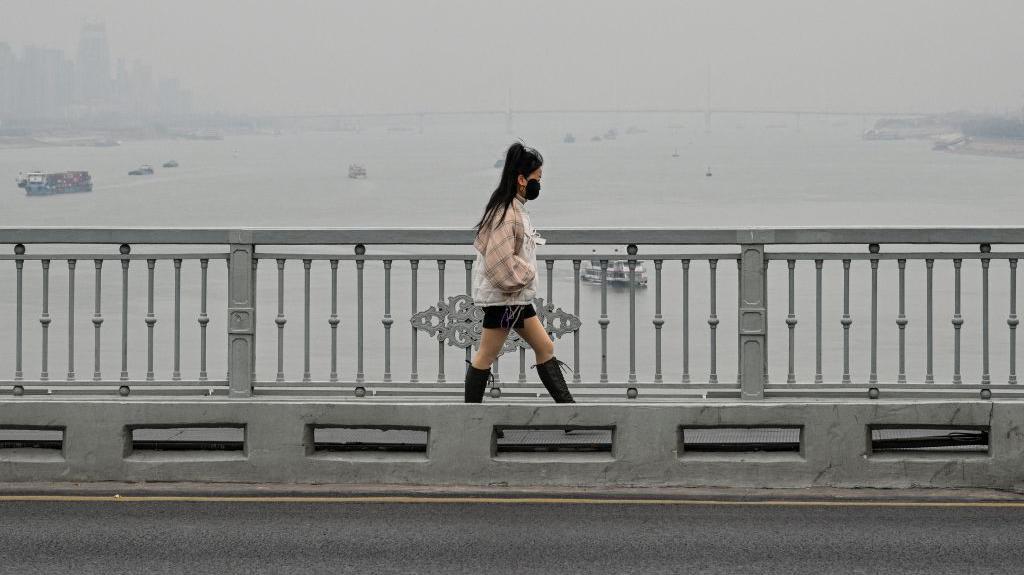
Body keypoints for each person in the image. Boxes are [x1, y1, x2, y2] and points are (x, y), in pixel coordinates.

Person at [465, 142, 574, 403]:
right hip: (505, 300)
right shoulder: (507, 213)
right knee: (485, 355)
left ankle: (570, 413)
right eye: (537, 179)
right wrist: (528, 274)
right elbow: (498, 262)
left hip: (514, 299)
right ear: (522, 179)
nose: (539, 185)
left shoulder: (512, 208)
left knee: (545, 347)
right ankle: (471, 419)